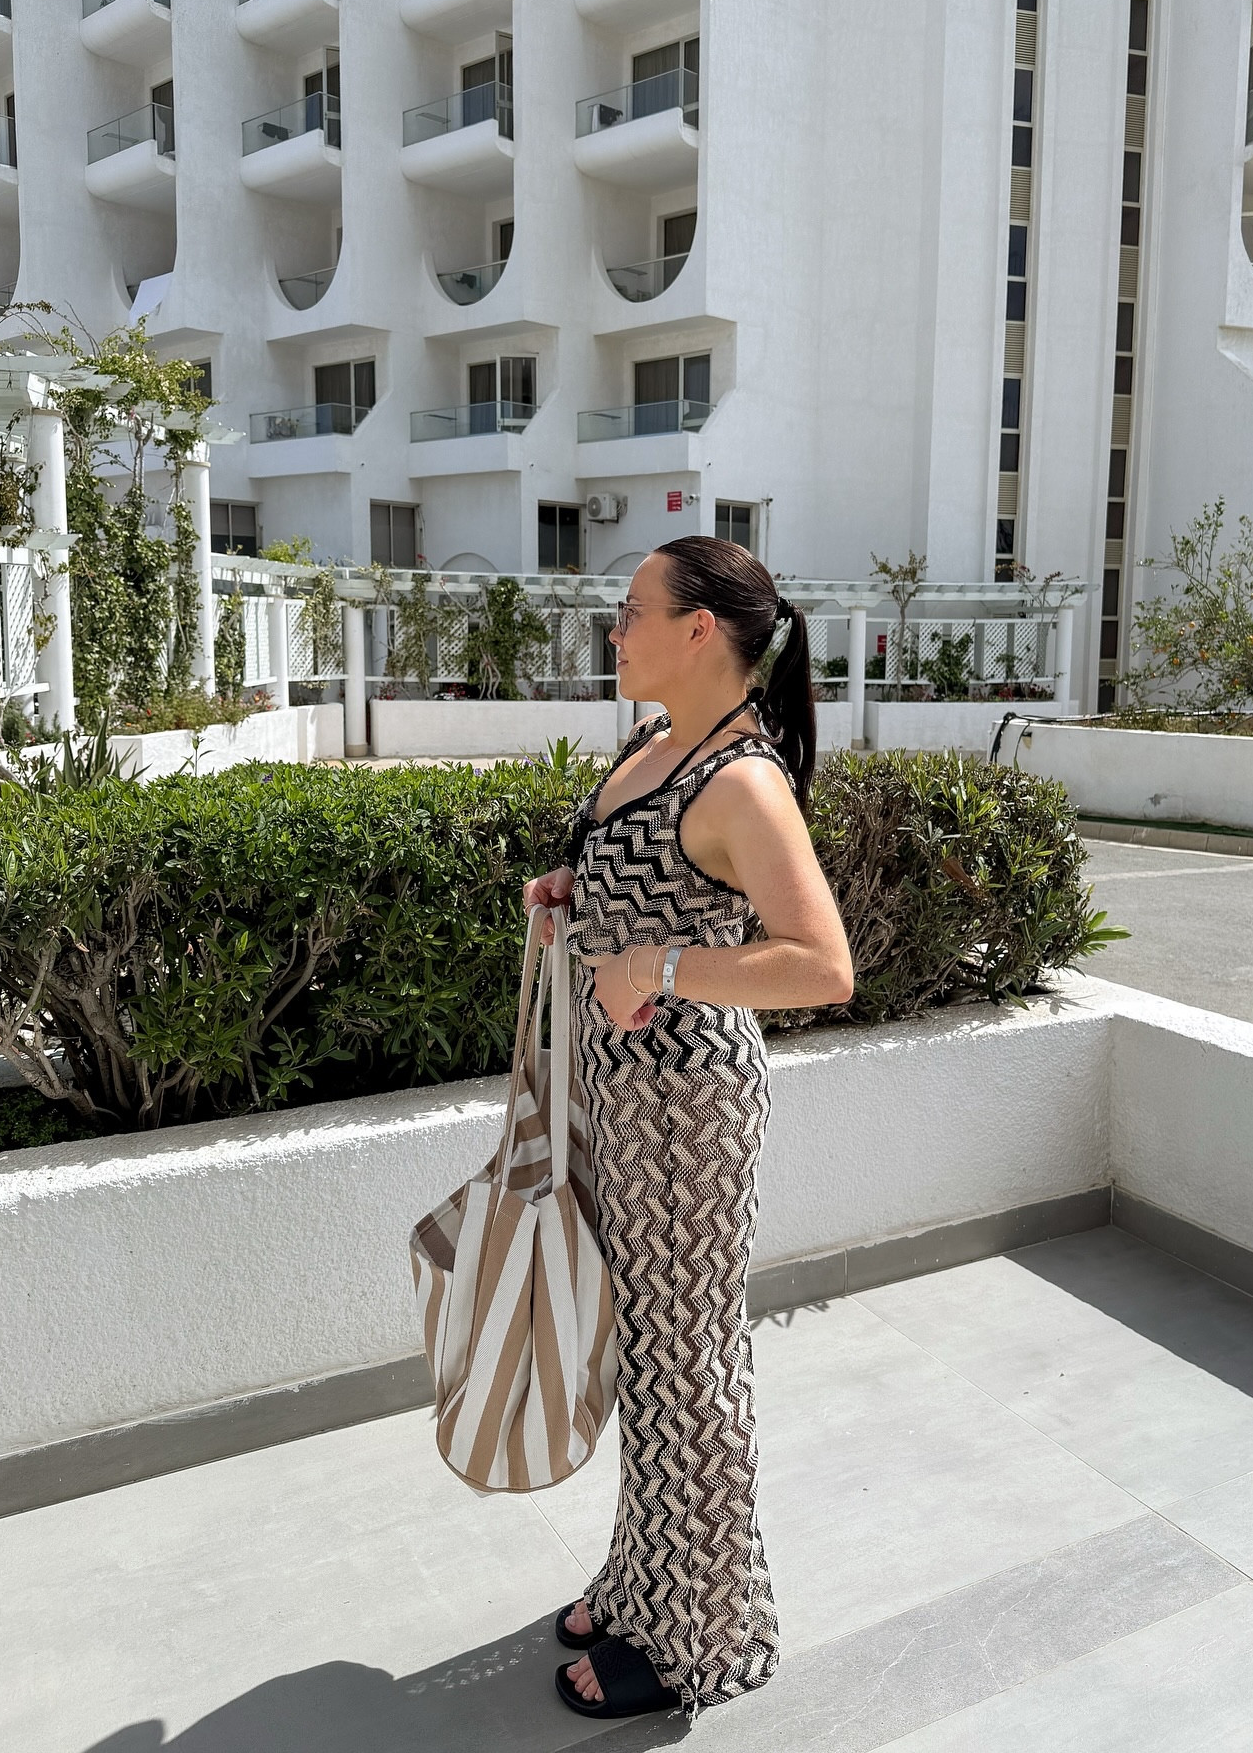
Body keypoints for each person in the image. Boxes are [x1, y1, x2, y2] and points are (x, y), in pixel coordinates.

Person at [522, 535, 854, 1721]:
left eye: (631, 613)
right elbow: (643, 882)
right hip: (627, 1095)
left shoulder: (742, 780)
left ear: (699, 627)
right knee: (651, 1356)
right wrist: (577, 898)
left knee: (688, 1362)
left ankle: (702, 1638)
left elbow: (823, 964)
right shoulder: (658, 747)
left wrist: (658, 959)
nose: (615, 633)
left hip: (687, 1105)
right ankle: (646, 1581)